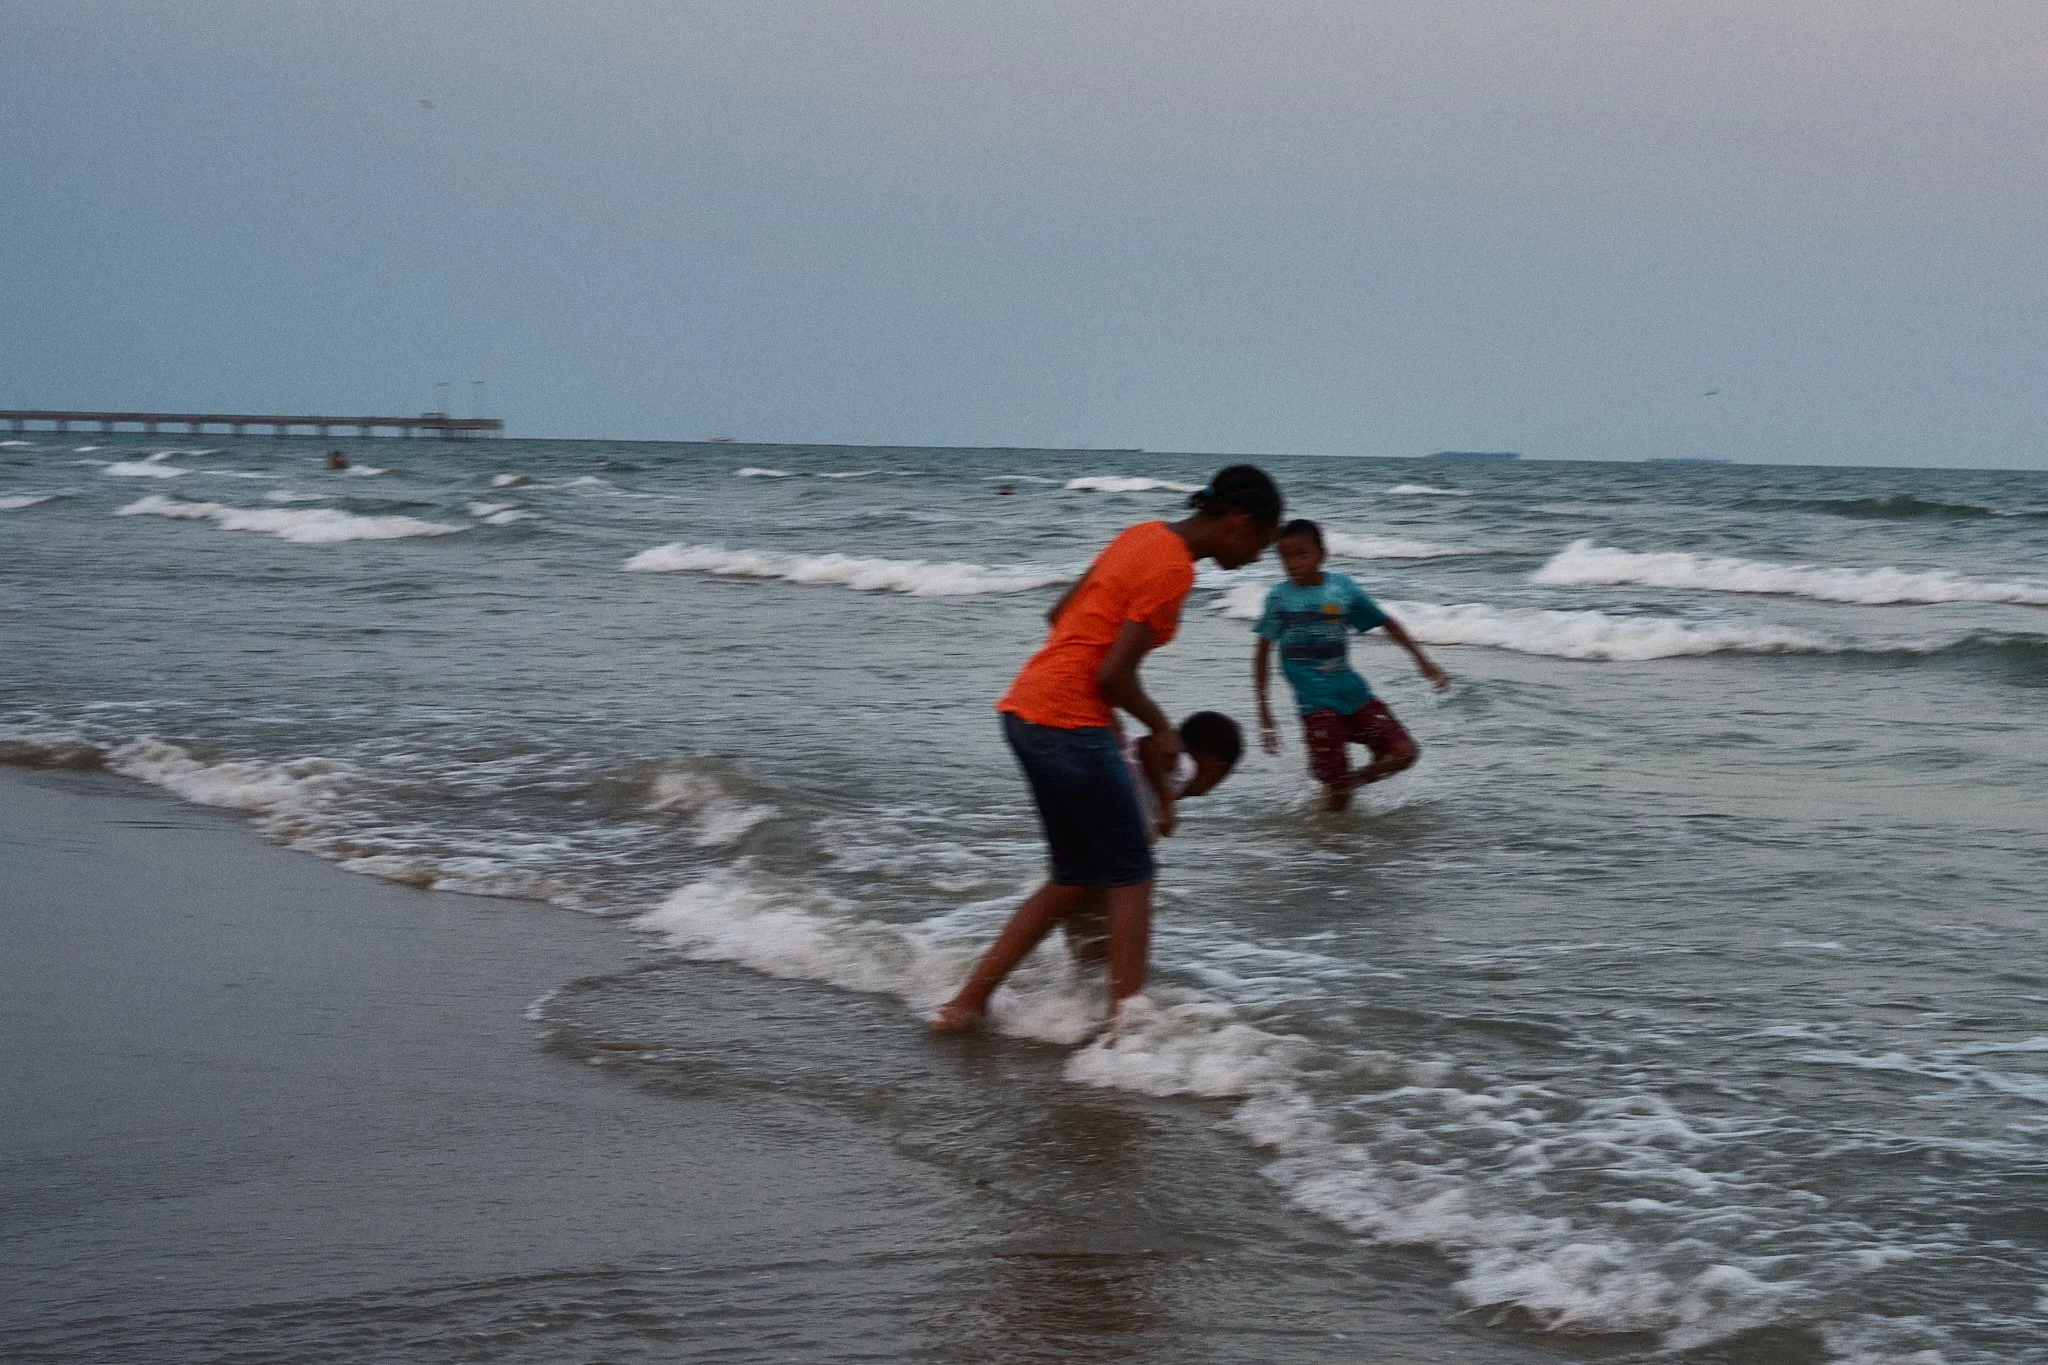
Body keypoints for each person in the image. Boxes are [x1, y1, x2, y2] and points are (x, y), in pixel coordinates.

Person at [930, 467, 1284, 1032]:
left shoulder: (1141, 535)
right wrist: (1161, 727)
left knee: (1074, 877)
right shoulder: (1172, 570)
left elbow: (1059, 617)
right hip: (1069, 720)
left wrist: (1113, 721)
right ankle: (1128, 1029)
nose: (1259, 556)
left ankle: (967, 1004)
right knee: (1131, 873)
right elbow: (1115, 673)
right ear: (1239, 520)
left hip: (1027, 709)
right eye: (1262, 543)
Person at [1253, 519, 1449, 812]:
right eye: (1285, 557)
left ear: (1322, 555)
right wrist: (1265, 713)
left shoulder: (1342, 587)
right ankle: (1332, 848)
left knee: (1404, 753)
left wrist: (1422, 660)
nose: (1293, 563)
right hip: (1316, 707)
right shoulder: (1279, 599)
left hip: (1354, 696)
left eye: (1302, 554)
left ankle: (1346, 782)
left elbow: (1385, 622)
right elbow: (1262, 654)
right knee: (1338, 797)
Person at [1060, 711, 1243, 965]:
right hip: (1096, 835)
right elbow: (1149, 745)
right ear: (1216, 764)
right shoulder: (1184, 767)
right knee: (1102, 931)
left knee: (1088, 936)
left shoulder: (1171, 768)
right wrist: (1167, 802)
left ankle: (1072, 992)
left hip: (1078, 822)